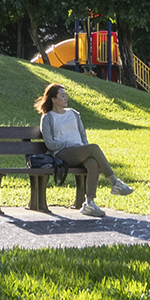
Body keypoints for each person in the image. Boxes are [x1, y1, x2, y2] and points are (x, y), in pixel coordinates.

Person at [35, 83, 133, 216]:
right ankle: (115, 182)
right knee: (94, 148)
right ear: (53, 99)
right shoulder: (48, 118)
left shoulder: (74, 114)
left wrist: (84, 149)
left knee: (92, 162)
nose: (65, 98)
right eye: (62, 96)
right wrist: (70, 144)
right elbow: (50, 144)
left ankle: (89, 203)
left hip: (80, 152)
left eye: (66, 95)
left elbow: (82, 136)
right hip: (62, 154)